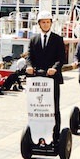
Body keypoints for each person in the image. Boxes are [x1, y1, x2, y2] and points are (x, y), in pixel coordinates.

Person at [26, 10, 66, 140]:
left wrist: (54, 68)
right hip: (37, 79)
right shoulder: (34, 39)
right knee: (37, 107)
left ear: (51, 23)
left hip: (52, 78)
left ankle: (55, 134)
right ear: (39, 24)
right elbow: (29, 57)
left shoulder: (58, 39)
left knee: (53, 107)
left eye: (48, 22)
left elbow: (61, 58)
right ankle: (37, 133)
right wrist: (29, 66)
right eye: (43, 22)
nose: (45, 24)